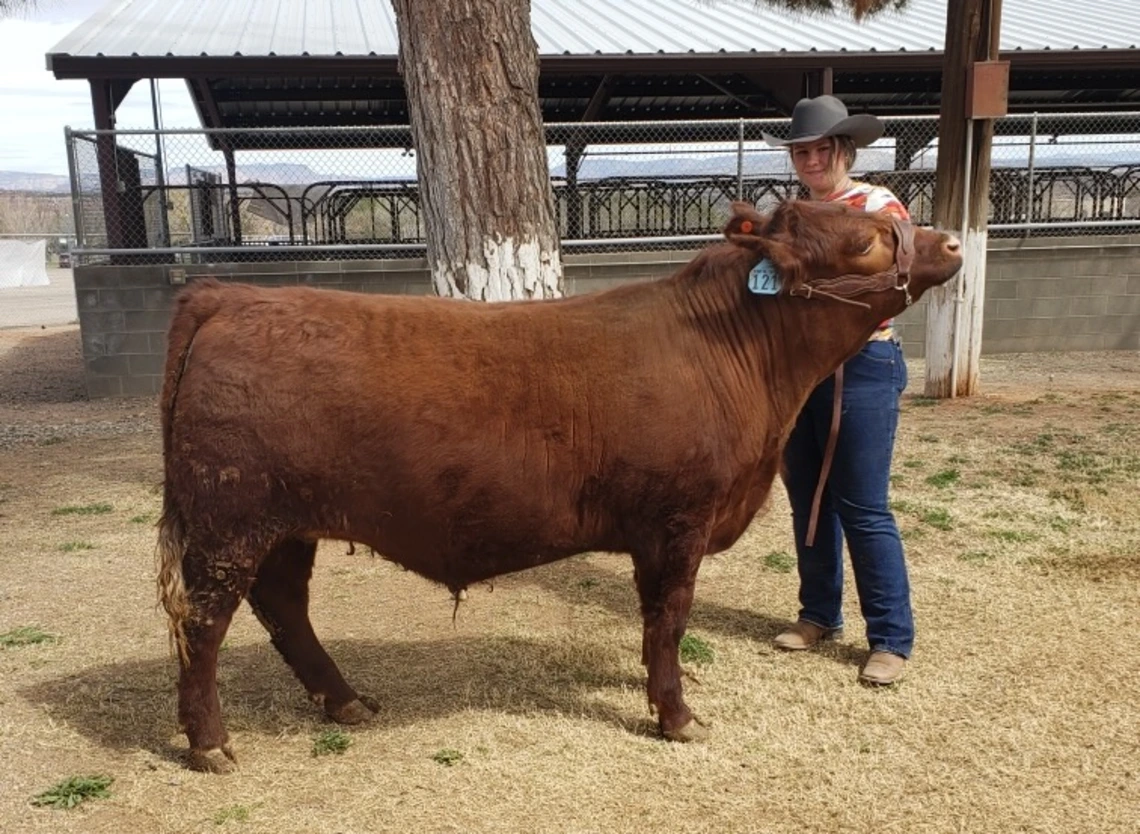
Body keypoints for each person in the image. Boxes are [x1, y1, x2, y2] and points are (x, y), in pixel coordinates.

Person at [761, 95, 913, 686]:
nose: (811, 159)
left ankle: (891, 638)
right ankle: (818, 613)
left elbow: (895, 278)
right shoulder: (791, 216)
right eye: (802, 151)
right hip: (802, 369)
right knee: (809, 495)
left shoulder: (876, 206)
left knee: (864, 505)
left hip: (864, 361)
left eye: (822, 149)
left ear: (844, 150)